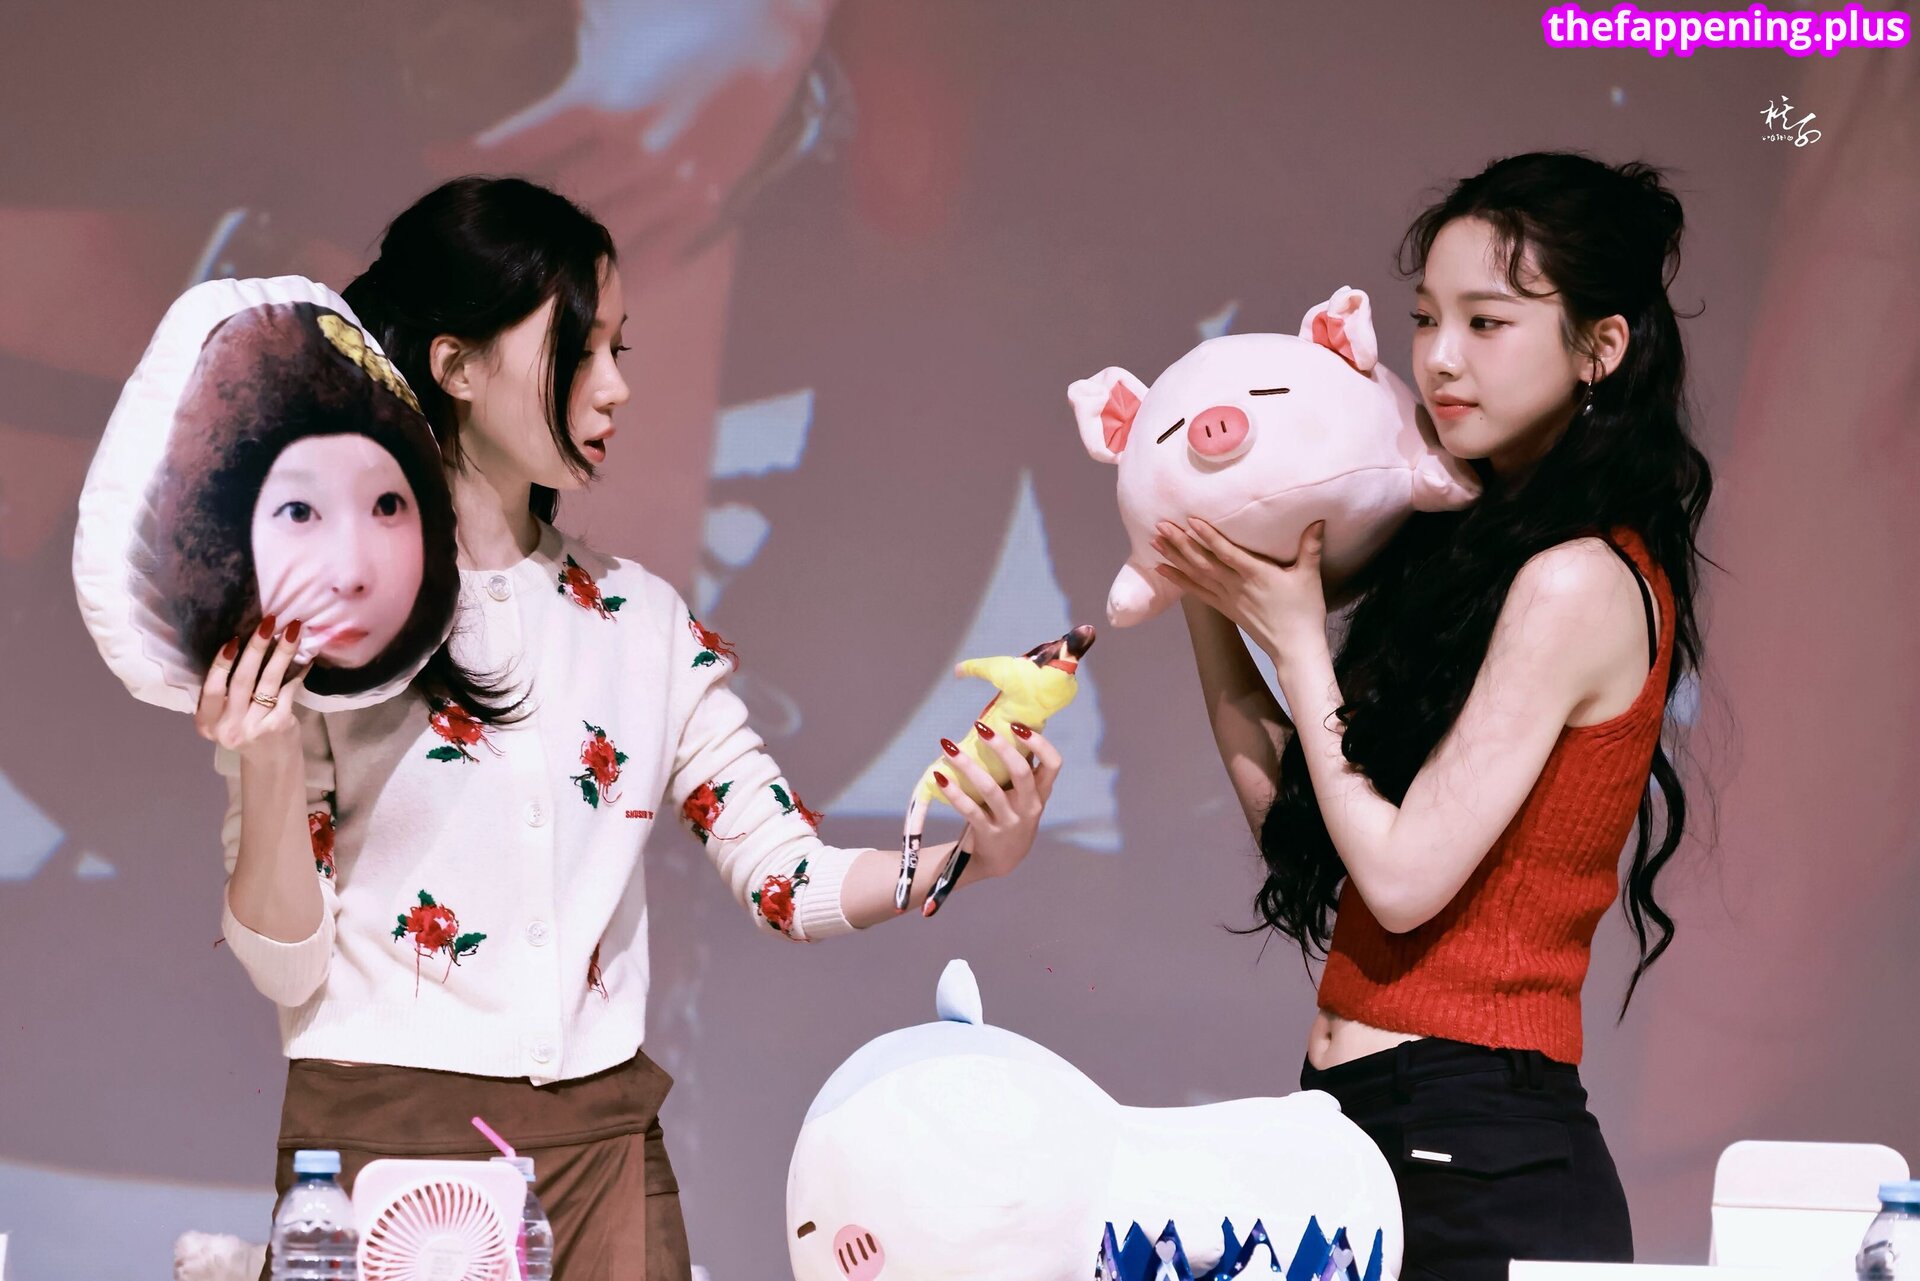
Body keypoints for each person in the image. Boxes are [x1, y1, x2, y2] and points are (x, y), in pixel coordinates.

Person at [193, 176, 1063, 1279]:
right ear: (456, 366)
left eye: (621, 349)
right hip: (384, 1162)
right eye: (580, 349)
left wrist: (961, 858)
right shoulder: (321, 622)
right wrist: (267, 758)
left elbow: (783, 875)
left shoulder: (641, 621)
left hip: (605, 1156)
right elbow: (284, 965)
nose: (615, 387)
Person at [1156, 152, 1712, 1281]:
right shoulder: (1461, 556)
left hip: (1480, 1155)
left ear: (1601, 347)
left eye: (1487, 322)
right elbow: (1314, 835)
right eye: (1424, 319)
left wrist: (1297, 639)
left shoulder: (1581, 580)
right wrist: (1206, 583)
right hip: (1359, 1126)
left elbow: (1404, 882)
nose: (1441, 357)